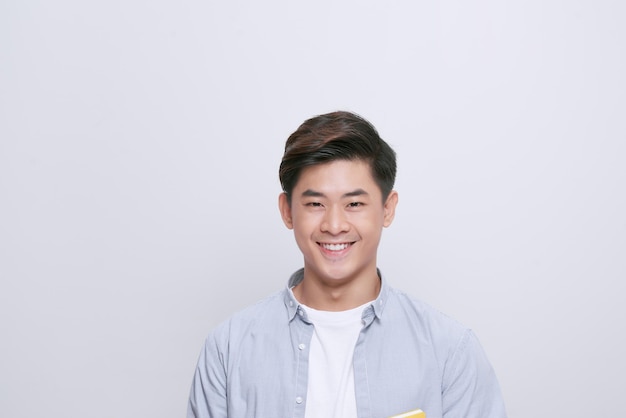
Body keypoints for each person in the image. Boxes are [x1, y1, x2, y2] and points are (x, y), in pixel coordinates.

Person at [187, 111, 507, 418]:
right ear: (287, 211)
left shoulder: (450, 351)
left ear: (387, 209)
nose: (335, 224)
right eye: (315, 204)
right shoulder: (228, 348)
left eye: (354, 203)